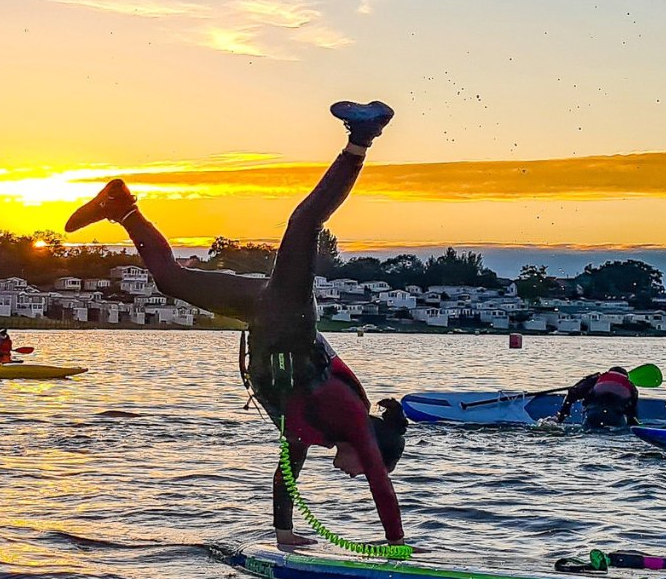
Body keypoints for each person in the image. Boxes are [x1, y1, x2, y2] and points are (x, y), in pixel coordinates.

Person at [64, 100, 408, 548]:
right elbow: (382, 485)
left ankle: (122, 206)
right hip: (287, 315)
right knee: (305, 223)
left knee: (169, 281)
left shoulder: (313, 431)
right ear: (369, 454)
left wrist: (284, 536)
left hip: (256, 309)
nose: (355, 476)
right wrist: (396, 544)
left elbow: (286, 472)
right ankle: (362, 138)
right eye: (362, 468)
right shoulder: (351, 418)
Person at [556, 367, 638, 429]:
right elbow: (631, 415)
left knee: (589, 431)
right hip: (615, 418)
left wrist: (562, 415)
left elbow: (573, 393)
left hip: (593, 415)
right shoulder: (631, 387)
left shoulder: (596, 378)